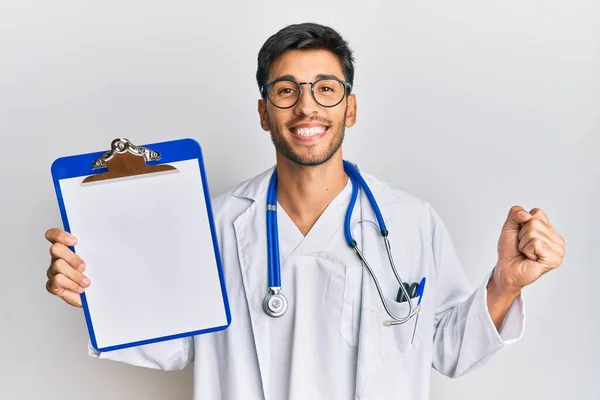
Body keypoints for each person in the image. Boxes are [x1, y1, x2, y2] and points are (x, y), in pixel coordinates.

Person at [44, 22, 566, 399]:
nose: (307, 106)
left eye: (325, 89)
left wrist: (506, 283)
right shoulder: (214, 224)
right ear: (264, 113)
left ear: (350, 108)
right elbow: (173, 343)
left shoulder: (410, 221)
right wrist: (93, 285)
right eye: (286, 90)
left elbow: (447, 349)